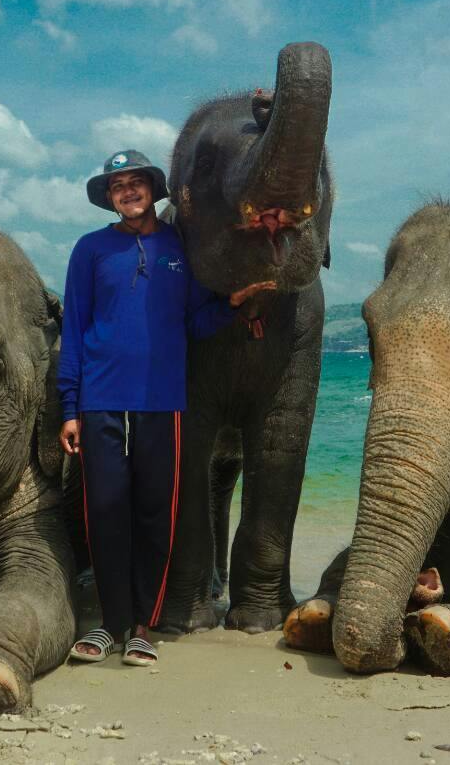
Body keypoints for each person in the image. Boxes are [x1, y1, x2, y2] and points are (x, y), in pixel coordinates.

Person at [58, 150, 273, 667]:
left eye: (136, 182)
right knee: (106, 514)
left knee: (157, 513)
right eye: (117, 186)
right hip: (101, 402)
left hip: (162, 402)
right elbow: (75, 330)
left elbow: (192, 323)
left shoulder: (180, 248)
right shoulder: (89, 250)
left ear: (153, 190)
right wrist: (70, 405)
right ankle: (109, 625)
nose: (127, 191)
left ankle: (143, 627)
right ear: (109, 198)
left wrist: (232, 307)